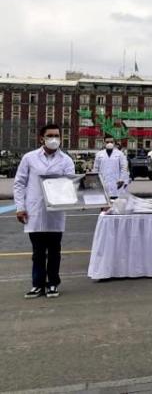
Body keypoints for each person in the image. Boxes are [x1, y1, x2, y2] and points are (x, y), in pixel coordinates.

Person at [15, 123, 75, 299]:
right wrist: (20, 207)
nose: (54, 139)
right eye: (50, 136)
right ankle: (37, 284)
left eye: (57, 135)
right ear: (41, 138)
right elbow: (19, 183)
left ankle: (53, 284)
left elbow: (71, 184)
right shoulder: (29, 158)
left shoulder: (66, 160)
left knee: (55, 251)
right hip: (34, 210)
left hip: (56, 212)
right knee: (38, 252)